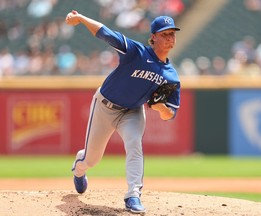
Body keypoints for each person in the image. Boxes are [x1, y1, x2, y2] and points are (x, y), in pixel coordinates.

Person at [65, 10, 181, 214]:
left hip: (132, 112)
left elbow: (170, 114)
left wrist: (160, 107)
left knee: (135, 145)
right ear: (153, 37)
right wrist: (82, 18)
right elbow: (106, 33)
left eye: (172, 33)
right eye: (165, 33)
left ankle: (133, 195)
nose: (170, 38)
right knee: (91, 159)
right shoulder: (136, 52)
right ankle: (79, 169)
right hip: (104, 106)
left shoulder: (171, 76)